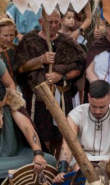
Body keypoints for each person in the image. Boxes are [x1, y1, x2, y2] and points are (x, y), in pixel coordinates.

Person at [15, 9, 85, 155]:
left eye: (56, 22)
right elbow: (21, 68)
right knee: (40, 135)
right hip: (38, 99)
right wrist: (41, 60)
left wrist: (61, 76)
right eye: (49, 22)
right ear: (41, 22)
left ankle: (59, 168)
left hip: (62, 98)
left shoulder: (67, 42)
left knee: (61, 135)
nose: (53, 25)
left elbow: (78, 68)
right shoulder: (29, 41)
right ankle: (43, 167)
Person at [56, 80, 110, 178]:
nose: (97, 111)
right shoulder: (76, 115)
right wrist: (62, 171)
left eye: (102, 107)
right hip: (82, 161)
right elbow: (67, 144)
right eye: (93, 106)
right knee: (81, 175)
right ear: (88, 97)